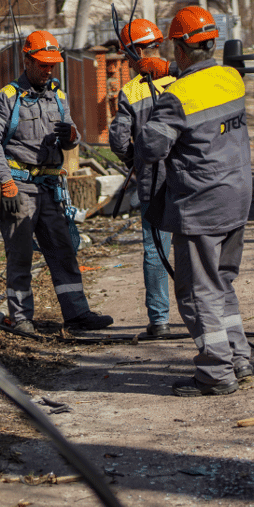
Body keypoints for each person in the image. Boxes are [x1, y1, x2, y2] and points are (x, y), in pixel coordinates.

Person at [134, 6, 252, 397]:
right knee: (222, 282)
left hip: (202, 205)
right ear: (211, 41)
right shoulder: (232, 79)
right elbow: (199, 76)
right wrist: (165, 68)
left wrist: (151, 105)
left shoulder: (177, 98)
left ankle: (216, 374)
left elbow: (151, 147)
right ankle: (239, 358)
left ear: (182, 47)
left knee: (197, 291)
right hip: (238, 198)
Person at [0, 30, 113, 335]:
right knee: (21, 254)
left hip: (51, 188)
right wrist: (6, 183)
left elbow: (72, 137)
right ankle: (22, 317)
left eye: (52, 64)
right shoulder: (8, 98)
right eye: (42, 64)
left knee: (63, 251)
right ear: (27, 60)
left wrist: (72, 138)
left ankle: (77, 315)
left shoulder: (59, 95)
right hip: (20, 188)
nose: (48, 69)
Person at [108, 18, 176, 340]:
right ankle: (201, 315)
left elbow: (119, 140)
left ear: (132, 55)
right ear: (157, 46)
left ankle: (160, 321)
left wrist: (133, 160)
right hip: (188, 180)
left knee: (155, 251)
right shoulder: (179, 81)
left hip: (153, 182)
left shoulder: (130, 92)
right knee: (192, 248)